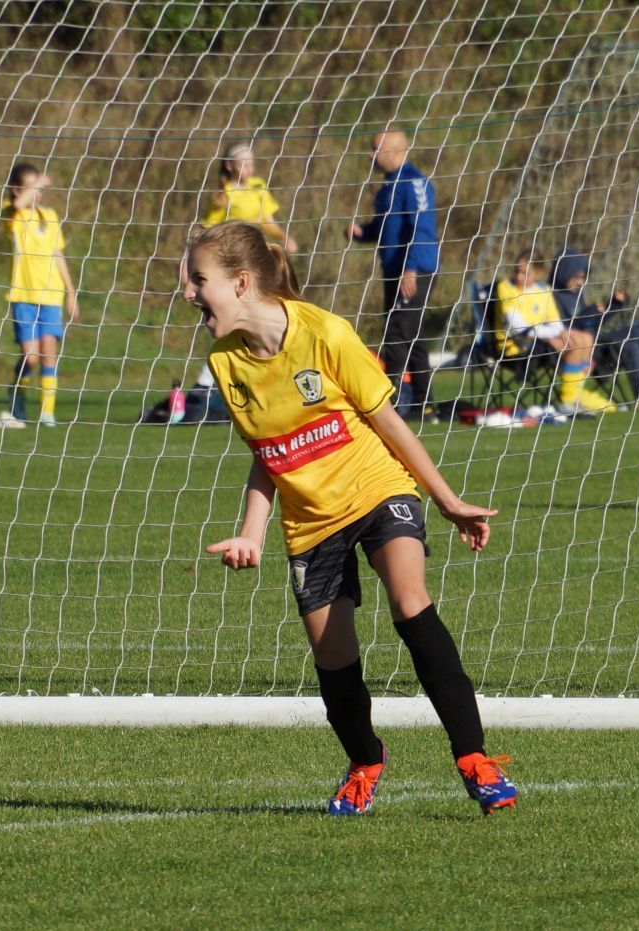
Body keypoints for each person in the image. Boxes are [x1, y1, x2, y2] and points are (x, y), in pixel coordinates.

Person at [183, 220, 517, 817]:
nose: (188, 292)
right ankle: (365, 761)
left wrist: (445, 499)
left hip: (376, 489)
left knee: (409, 601)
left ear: (239, 283)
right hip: (310, 522)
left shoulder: (323, 333)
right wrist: (252, 532)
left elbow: (390, 424)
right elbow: (268, 454)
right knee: (334, 661)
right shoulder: (224, 362)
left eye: (197, 280)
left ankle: (476, 759)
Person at [346, 128, 439, 424]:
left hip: (415, 270)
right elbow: (386, 229)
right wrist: (363, 232)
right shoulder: (387, 187)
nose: (370, 155)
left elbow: (422, 227)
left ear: (397, 151)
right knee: (410, 337)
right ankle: (424, 406)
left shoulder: (414, 182)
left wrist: (411, 267)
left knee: (397, 335)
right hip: (394, 270)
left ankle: (394, 406)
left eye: (376, 149)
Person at [1, 162, 79, 426]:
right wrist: (35, 184)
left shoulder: (50, 215)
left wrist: (70, 291)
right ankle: (17, 391)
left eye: (40, 187)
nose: (38, 193)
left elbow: (58, 254)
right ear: (16, 190)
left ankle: (48, 412)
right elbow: (19, 205)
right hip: (23, 295)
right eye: (32, 187)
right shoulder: (13, 214)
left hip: (51, 296)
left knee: (48, 352)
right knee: (31, 357)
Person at [495, 248, 613, 414]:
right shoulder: (505, 287)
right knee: (576, 340)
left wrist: (560, 332)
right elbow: (519, 328)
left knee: (585, 338)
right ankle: (570, 399)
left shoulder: (544, 290)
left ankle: (573, 397)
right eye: (517, 271)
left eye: (526, 273)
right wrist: (558, 333)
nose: (519, 276)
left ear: (538, 273)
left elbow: (556, 324)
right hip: (516, 346)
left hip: (539, 341)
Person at [550, 248, 639, 412]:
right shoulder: (551, 296)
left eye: (583, 278)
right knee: (629, 346)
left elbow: (590, 323)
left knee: (634, 331)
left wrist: (614, 305)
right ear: (564, 272)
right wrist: (589, 312)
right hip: (580, 349)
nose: (581, 282)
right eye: (577, 277)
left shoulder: (576, 294)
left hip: (595, 341)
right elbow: (563, 330)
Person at [200, 141, 298, 254]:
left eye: (251, 164)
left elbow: (268, 221)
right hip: (231, 253)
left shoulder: (258, 185)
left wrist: (285, 238)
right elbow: (207, 229)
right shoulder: (223, 194)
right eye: (244, 165)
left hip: (256, 251)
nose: (249, 169)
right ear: (229, 165)